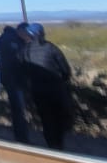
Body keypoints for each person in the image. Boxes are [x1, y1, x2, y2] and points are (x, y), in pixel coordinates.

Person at [20, 22, 74, 150]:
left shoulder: (25, 50)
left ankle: (51, 145)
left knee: (46, 118)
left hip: (37, 90)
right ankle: (59, 144)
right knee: (59, 116)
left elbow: (23, 70)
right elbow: (65, 69)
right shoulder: (51, 48)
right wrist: (64, 79)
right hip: (56, 89)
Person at [0, 22, 30, 143]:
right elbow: (15, 61)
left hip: (11, 78)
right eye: (26, 32)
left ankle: (21, 135)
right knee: (18, 109)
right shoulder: (11, 41)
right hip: (13, 79)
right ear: (21, 31)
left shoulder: (9, 39)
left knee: (18, 108)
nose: (27, 35)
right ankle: (21, 137)